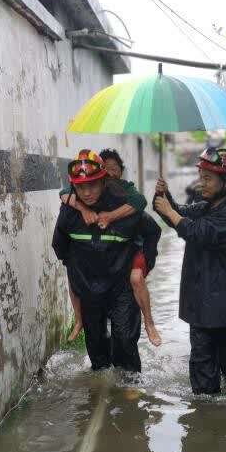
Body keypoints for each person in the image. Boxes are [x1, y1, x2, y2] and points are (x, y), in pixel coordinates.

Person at [153, 147, 226, 394]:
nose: (201, 183)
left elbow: (200, 233)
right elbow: (179, 215)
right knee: (204, 388)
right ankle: (205, 416)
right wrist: (164, 196)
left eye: (208, 178)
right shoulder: (205, 207)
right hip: (202, 308)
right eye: (201, 177)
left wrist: (170, 211)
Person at [53, 149, 161, 372]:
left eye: (92, 185)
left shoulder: (124, 206)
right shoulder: (69, 213)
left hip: (121, 287)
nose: (87, 193)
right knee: (96, 345)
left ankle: (131, 383)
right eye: (81, 187)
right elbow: (60, 246)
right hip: (89, 289)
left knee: (125, 339)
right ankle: (101, 382)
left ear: (104, 182)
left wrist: (144, 264)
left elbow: (152, 230)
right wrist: (76, 271)